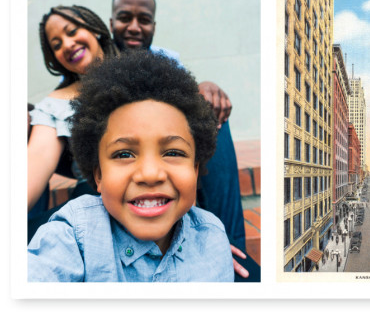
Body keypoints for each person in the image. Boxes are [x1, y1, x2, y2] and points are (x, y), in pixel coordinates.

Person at [28, 50, 234, 282]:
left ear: (195, 170)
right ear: (99, 175)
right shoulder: (74, 234)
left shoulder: (212, 238)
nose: (150, 174)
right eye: (124, 153)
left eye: (173, 152)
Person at [110, 0, 257, 280]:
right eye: (125, 18)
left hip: (169, 153)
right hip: (128, 160)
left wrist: (205, 88)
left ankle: (231, 246)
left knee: (211, 114)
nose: (135, 27)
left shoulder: (167, 60)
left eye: (145, 19)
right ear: (112, 22)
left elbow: (188, 98)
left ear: (154, 24)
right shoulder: (100, 61)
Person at [28, 5, 119, 215]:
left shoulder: (144, 73)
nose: (67, 45)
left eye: (72, 31)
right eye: (57, 45)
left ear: (93, 28)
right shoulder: (54, 105)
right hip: (92, 208)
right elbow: (35, 162)